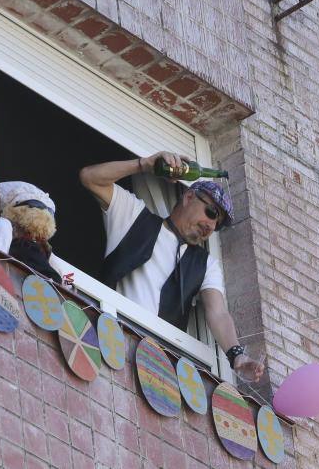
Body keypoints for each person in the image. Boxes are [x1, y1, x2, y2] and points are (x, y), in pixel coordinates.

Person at [80, 151, 264, 382]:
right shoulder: (134, 217)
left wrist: (237, 356)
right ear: (188, 197)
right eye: (211, 212)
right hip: (107, 340)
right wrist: (144, 164)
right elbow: (90, 177)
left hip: (155, 368)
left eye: (216, 225)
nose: (210, 225)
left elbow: (218, 312)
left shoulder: (206, 264)